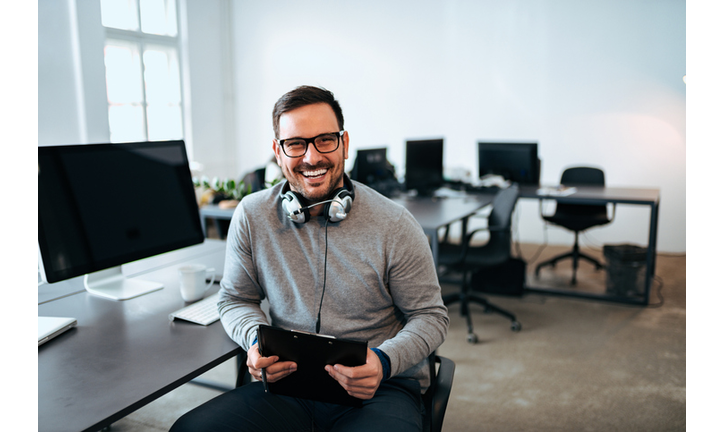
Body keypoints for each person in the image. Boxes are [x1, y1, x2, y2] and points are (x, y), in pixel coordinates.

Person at [170, 85, 448, 432]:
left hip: (379, 388)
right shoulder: (253, 215)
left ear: (344, 143)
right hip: (288, 385)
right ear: (278, 151)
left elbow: (430, 317)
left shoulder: (394, 224)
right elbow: (235, 299)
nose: (312, 157)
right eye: (296, 143)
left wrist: (383, 361)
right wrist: (254, 343)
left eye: (325, 140)